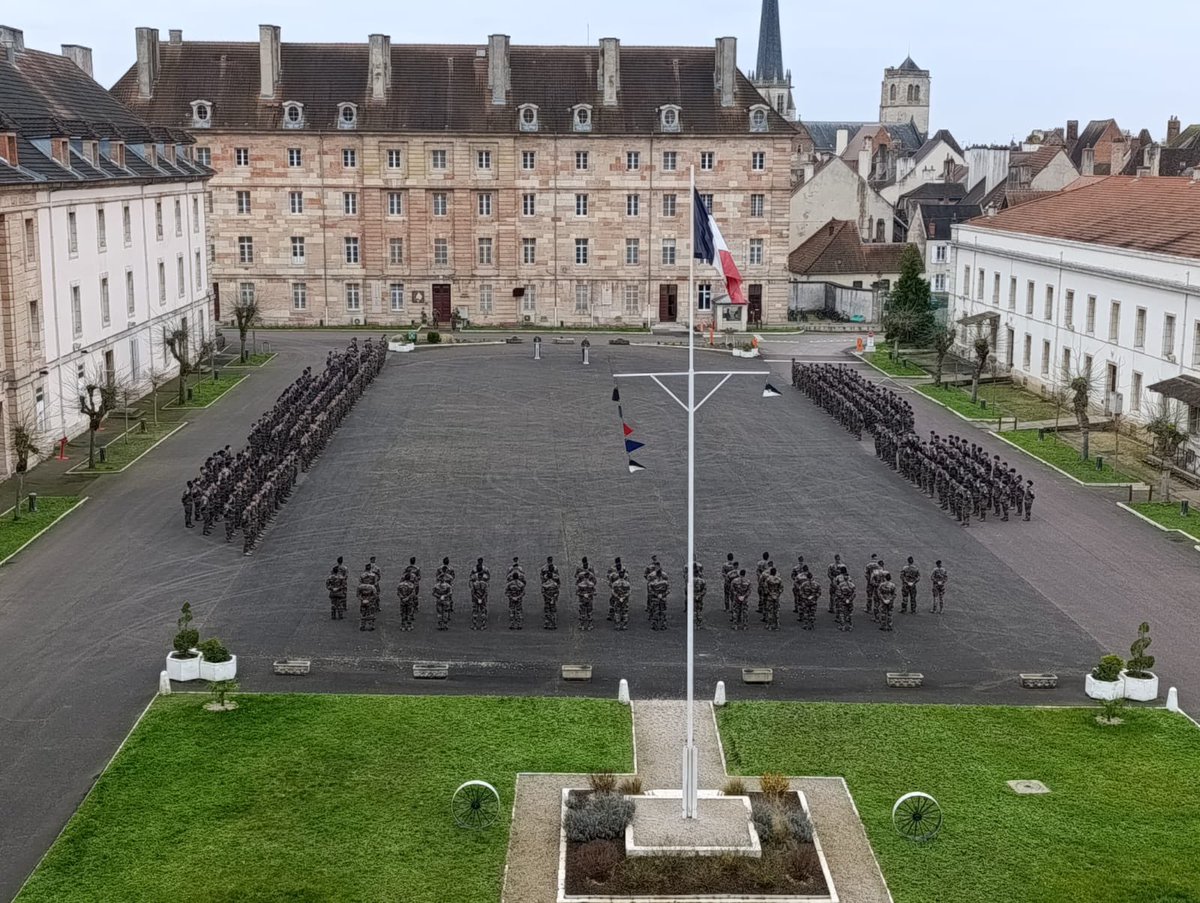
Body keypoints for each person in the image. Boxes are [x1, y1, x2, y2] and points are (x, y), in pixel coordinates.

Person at [576, 565, 596, 630]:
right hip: (587, 600)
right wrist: (588, 594)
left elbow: (577, 592)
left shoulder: (581, 585)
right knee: (587, 613)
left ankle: (584, 625)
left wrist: (584, 594)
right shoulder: (590, 584)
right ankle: (587, 625)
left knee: (585, 613)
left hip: (583, 600)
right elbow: (594, 593)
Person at [692, 562, 707, 627]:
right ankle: (699, 623)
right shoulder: (702, 581)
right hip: (699, 596)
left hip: (693, 596)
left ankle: (694, 622)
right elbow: (704, 589)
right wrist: (701, 595)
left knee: (693, 609)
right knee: (699, 609)